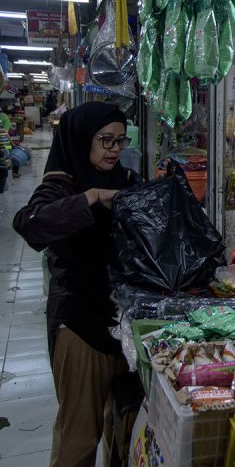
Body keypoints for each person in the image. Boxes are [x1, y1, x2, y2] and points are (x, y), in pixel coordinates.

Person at [14, 102, 139, 467]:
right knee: (79, 437)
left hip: (125, 326)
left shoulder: (127, 182)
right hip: (81, 326)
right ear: (83, 139)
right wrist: (93, 197)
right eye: (105, 141)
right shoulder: (60, 184)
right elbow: (31, 224)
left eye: (120, 140)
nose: (115, 149)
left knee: (123, 427)